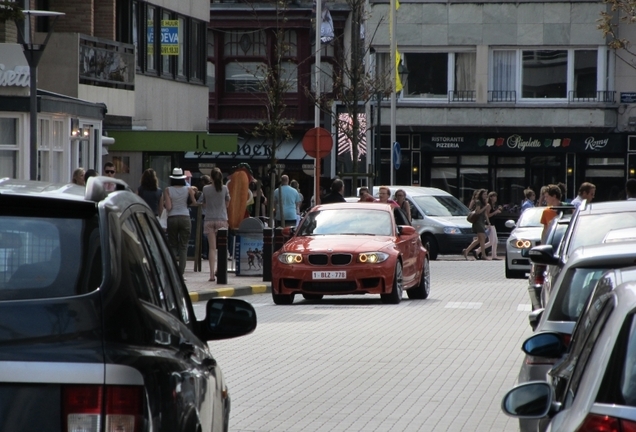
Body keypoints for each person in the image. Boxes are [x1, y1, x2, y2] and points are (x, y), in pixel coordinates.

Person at [160, 168, 197, 277]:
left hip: (172, 218)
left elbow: (169, 207)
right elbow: (194, 203)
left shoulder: (168, 190)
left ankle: (172, 271)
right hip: (185, 217)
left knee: (173, 245)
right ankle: (180, 273)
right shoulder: (188, 189)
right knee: (183, 246)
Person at [201, 168, 230, 282]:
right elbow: (227, 204)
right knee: (221, 247)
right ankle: (220, 270)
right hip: (222, 219)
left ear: (211, 177)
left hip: (209, 219)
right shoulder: (224, 189)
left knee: (212, 248)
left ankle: (212, 275)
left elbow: (203, 204)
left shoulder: (205, 189)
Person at [462, 189, 491, 260]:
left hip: (482, 222)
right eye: (484, 194)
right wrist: (485, 207)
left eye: (486, 194)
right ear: (481, 195)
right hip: (477, 222)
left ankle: (467, 250)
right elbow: (478, 212)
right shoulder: (478, 202)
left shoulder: (484, 202)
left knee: (480, 239)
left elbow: (485, 214)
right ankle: (483, 255)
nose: (485, 196)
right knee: (482, 238)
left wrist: (488, 222)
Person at [484, 191, 503, 260]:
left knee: (495, 241)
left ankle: (494, 255)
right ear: (491, 197)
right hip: (489, 224)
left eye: (496, 196)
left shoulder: (493, 205)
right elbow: (487, 215)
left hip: (492, 224)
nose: (496, 198)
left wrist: (497, 210)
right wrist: (495, 212)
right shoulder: (488, 205)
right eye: (494, 196)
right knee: (492, 241)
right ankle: (478, 250)